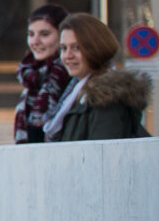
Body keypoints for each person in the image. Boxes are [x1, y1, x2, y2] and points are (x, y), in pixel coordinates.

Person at [46, 12, 152, 142]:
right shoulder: (74, 92)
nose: (68, 55)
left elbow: (102, 158)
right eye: (63, 48)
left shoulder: (106, 98)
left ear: (96, 48)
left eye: (76, 48)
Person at [13, 3, 70, 143]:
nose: (35, 41)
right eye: (31, 34)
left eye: (45, 34)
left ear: (62, 36)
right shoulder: (31, 79)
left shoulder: (70, 76)